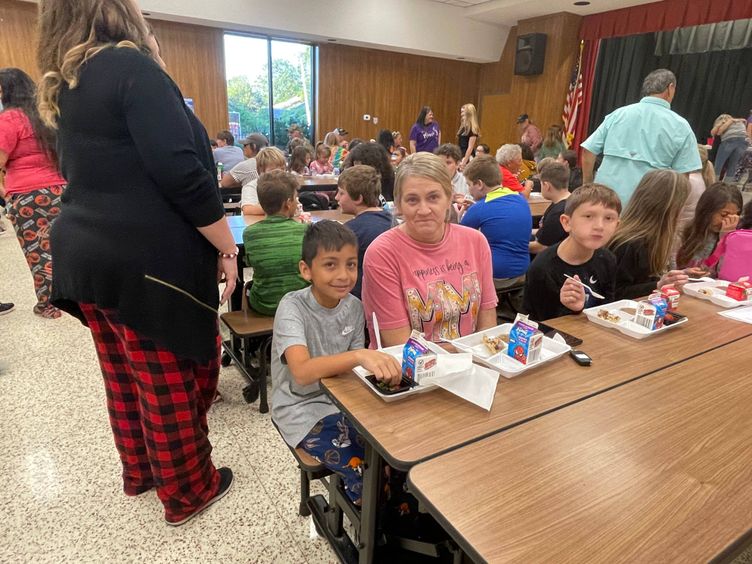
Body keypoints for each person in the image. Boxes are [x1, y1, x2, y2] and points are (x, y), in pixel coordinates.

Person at [37, 0, 236, 525]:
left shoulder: (68, 80)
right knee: (171, 375)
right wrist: (226, 246)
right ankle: (189, 489)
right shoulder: (131, 67)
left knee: (125, 372)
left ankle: (142, 471)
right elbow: (182, 173)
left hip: (85, 252)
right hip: (143, 258)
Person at [271, 220, 401, 504]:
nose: (344, 275)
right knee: (363, 467)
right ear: (307, 270)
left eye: (351, 265)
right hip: (300, 408)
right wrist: (359, 356)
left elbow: (353, 373)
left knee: (393, 452)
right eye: (330, 265)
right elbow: (303, 373)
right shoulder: (291, 307)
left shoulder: (354, 307)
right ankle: (367, 524)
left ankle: (392, 515)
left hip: (343, 402)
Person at [362, 153, 498, 346]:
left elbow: (487, 328)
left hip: (472, 366)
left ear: (449, 197)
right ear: (399, 204)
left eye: (433, 197)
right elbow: (399, 345)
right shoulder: (382, 254)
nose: (424, 210)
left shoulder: (476, 242)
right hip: (410, 370)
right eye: (412, 200)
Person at [0, 67, 67, 318]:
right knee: (62, 248)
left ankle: (48, 305)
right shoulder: (44, 116)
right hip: (59, 191)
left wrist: (6, 193)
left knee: (39, 251)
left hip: (28, 196)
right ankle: (74, 298)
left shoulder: (9, 119)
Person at [581, 69, 701, 205]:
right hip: (646, 207)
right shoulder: (681, 126)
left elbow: (588, 151)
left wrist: (587, 184)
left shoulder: (618, 114)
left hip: (603, 199)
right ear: (670, 88)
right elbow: (683, 177)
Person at [523, 184, 621, 322]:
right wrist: (572, 309)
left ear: (617, 226)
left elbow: (606, 310)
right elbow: (543, 324)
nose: (599, 226)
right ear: (567, 222)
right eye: (588, 216)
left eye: (609, 218)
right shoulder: (542, 268)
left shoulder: (607, 259)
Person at [608, 170, 690, 299]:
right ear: (670, 208)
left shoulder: (656, 240)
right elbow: (616, 293)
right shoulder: (629, 244)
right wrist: (658, 285)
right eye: (683, 204)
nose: (683, 210)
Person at [461, 155, 531, 292]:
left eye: (469, 185)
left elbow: (458, 238)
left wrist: (462, 214)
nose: (469, 189)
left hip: (496, 275)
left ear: (480, 184)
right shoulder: (521, 199)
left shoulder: (479, 208)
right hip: (522, 270)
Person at [243, 171, 308, 316]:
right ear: (288, 203)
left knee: (247, 286)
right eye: (296, 198)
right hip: (302, 304)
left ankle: (246, 334)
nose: (297, 202)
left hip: (263, 304)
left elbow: (250, 262)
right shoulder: (305, 230)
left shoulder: (249, 233)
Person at [335, 165, 392, 299]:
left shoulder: (350, 232)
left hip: (360, 299)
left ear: (358, 199)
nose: (337, 197)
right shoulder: (392, 221)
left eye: (341, 193)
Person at [675, 182, 743, 274]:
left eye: (734, 217)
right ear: (707, 211)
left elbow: (727, 273)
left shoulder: (738, 239)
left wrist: (726, 242)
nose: (727, 222)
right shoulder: (683, 233)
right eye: (724, 215)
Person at [529, 161, 571, 254]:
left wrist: (515, 246)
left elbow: (541, 247)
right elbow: (546, 231)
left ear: (547, 186)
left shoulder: (558, 213)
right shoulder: (569, 201)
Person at [220, 132, 268, 198]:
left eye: (245, 145)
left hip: (252, 202)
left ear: (254, 146)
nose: (243, 148)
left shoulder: (246, 165)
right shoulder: (273, 163)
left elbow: (224, 183)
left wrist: (241, 182)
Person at [241, 146, 287, 215]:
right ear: (261, 172)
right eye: (273, 171)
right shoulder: (252, 187)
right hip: (257, 223)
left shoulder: (286, 185)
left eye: (283, 169)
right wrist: (279, 209)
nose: (279, 174)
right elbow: (248, 210)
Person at [710, 114, 749, 181]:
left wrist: (720, 124)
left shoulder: (724, 122)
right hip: (743, 142)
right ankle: (727, 186)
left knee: (719, 164)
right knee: (733, 166)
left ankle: (714, 184)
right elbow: (745, 122)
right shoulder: (739, 121)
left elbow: (717, 133)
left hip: (730, 140)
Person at [457, 103, 479, 170]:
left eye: (463, 112)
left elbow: (470, 147)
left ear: (469, 113)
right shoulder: (463, 127)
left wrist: (464, 161)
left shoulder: (473, 128)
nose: (461, 114)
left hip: (467, 156)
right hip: (461, 154)